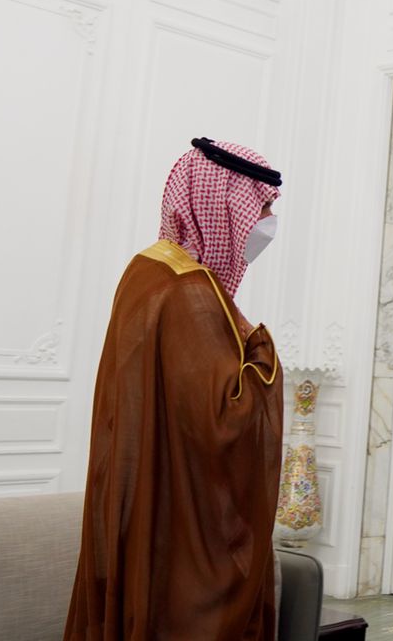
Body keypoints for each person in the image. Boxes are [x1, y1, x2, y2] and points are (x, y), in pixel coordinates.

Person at [65, 137, 286, 641]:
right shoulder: (189, 291)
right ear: (223, 205)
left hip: (151, 498)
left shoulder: (146, 271)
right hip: (178, 527)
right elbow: (225, 419)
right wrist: (261, 350)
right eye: (262, 207)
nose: (268, 221)